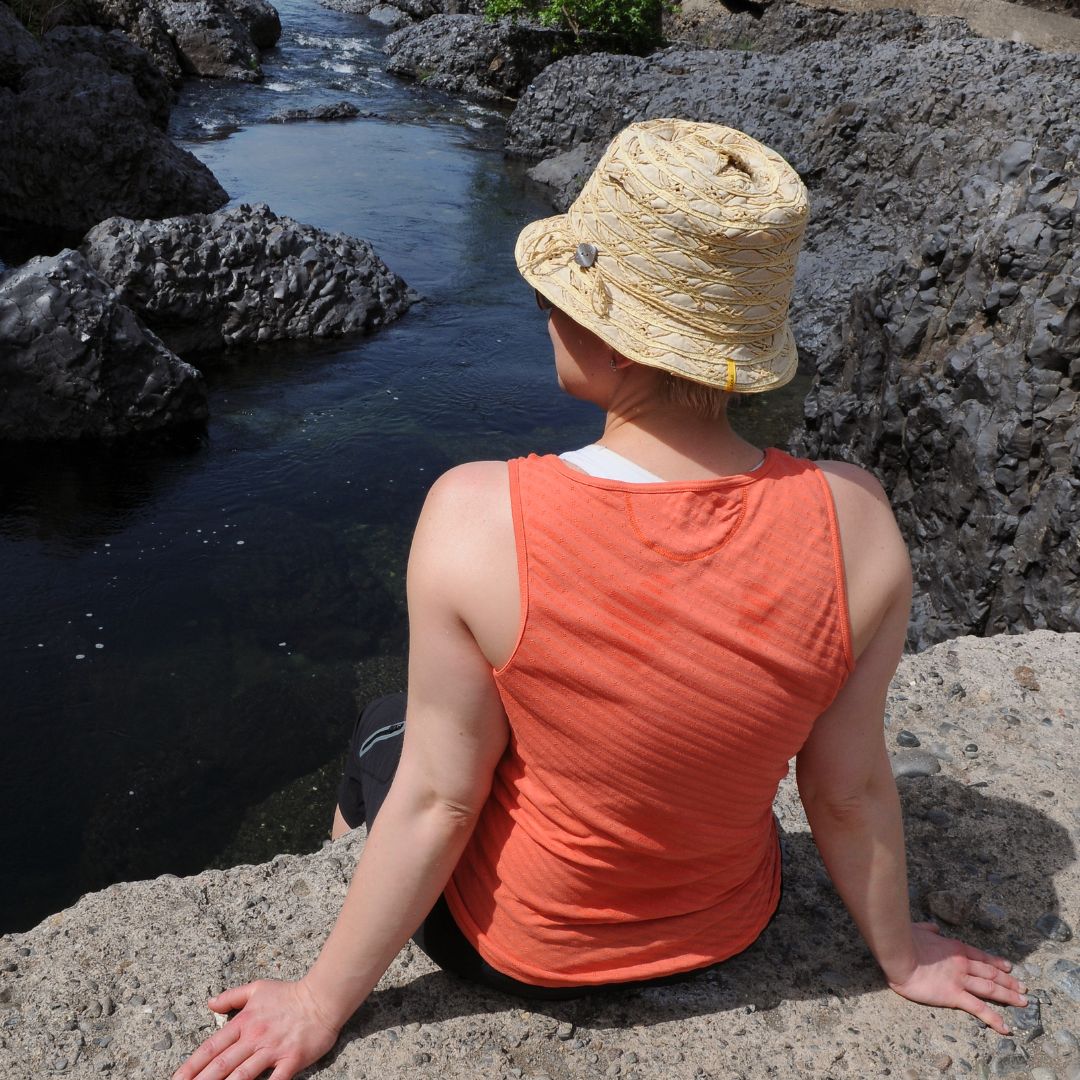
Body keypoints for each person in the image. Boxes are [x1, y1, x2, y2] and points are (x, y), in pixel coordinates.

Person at [173, 119, 1026, 1080]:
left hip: (515, 953)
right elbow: (847, 787)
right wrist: (903, 958)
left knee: (389, 733)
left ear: (619, 344)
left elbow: (443, 801)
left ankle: (335, 873)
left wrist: (318, 1003)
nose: (543, 310)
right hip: (729, 931)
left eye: (560, 296)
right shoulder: (858, 520)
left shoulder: (476, 513)